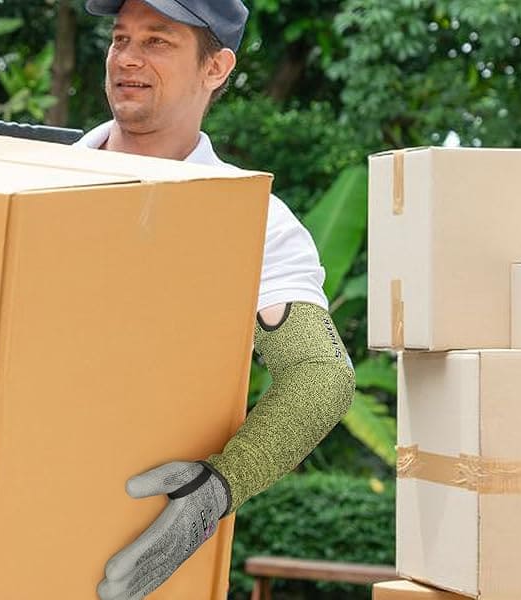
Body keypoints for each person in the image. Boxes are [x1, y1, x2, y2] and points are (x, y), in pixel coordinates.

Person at [74, 1, 355, 598]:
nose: (126, 57)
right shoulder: (20, 175)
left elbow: (321, 376)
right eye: (120, 37)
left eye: (157, 42)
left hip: (131, 531)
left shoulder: (255, 222)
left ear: (216, 68)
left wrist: (213, 494)